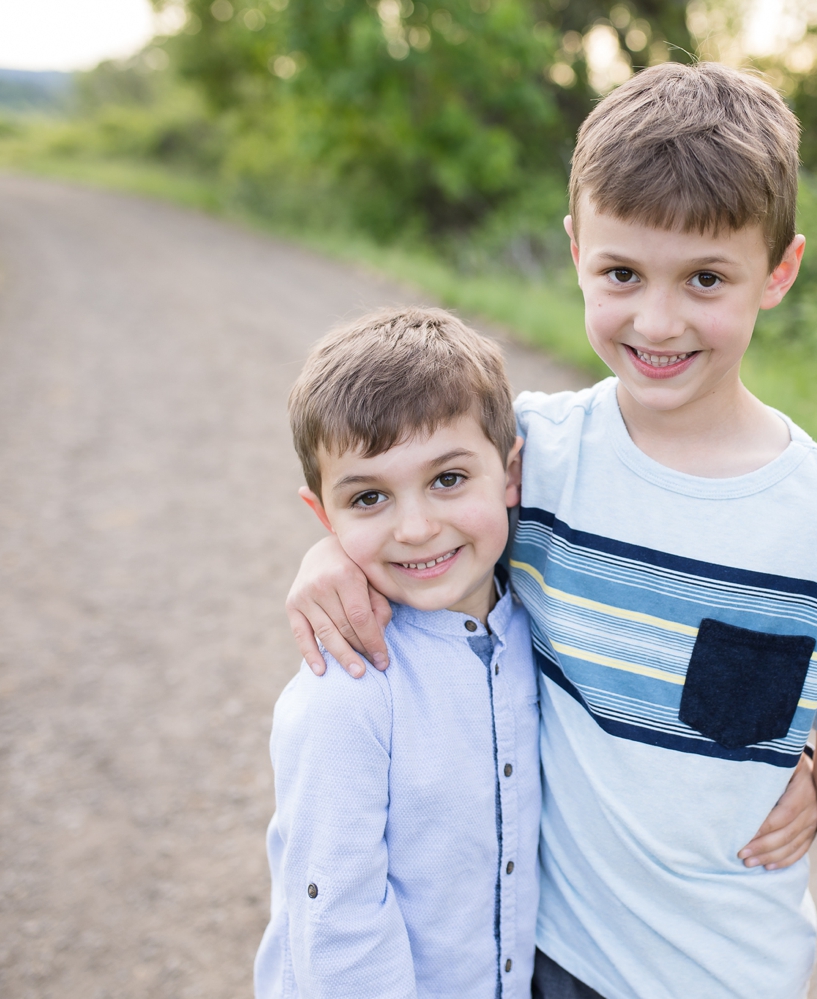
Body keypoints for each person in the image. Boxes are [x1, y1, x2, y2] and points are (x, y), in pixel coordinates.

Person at [288, 63, 817, 999]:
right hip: (548, 958)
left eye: (706, 278)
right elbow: (406, 503)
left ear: (780, 270)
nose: (658, 320)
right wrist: (325, 557)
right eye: (622, 273)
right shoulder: (532, 454)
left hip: (734, 974)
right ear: (575, 250)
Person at [256, 308, 540, 998]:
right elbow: (338, 925)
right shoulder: (348, 691)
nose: (414, 528)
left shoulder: (535, 623)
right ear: (323, 516)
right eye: (369, 497)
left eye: (447, 479)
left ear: (510, 474)